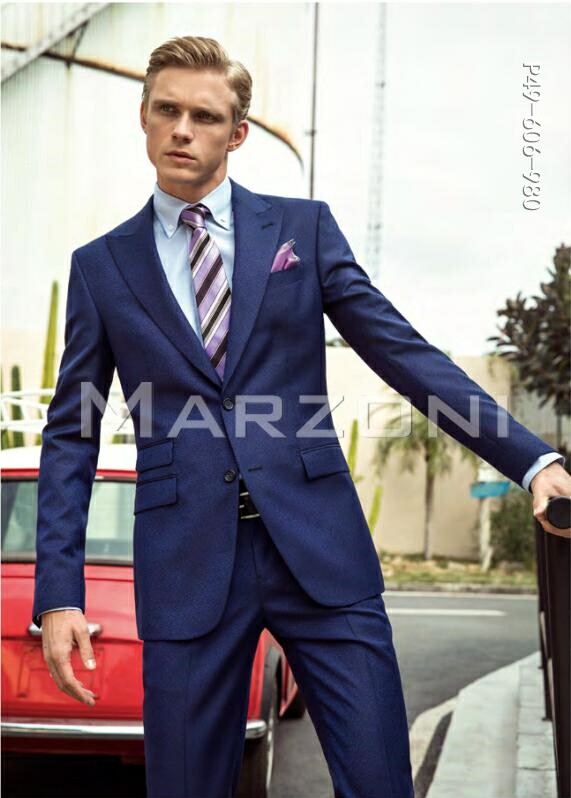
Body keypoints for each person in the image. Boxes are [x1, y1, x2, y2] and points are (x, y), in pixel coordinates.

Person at [33, 35, 570, 798]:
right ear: (144, 117)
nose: (182, 130)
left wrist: (531, 461)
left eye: (204, 117)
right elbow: (71, 433)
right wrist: (60, 593)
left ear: (236, 134)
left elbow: (401, 354)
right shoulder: (101, 266)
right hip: (185, 565)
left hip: (320, 551)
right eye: (167, 111)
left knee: (379, 783)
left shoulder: (300, 230)